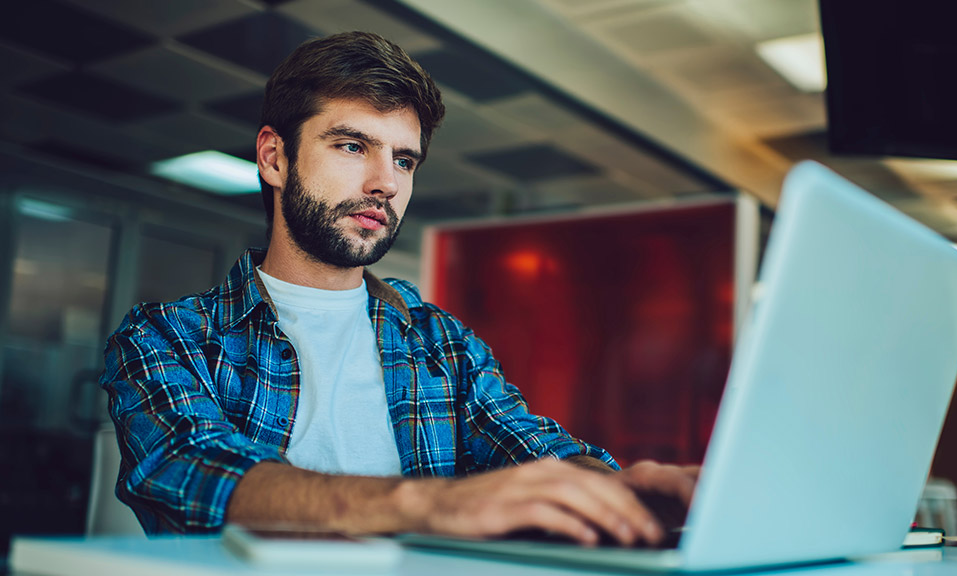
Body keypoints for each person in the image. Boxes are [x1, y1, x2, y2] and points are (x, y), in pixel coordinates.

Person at [100, 31, 698, 547]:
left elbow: (530, 448)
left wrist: (618, 487)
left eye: (405, 160)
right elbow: (196, 473)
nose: (385, 182)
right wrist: (431, 505)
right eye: (352, 145)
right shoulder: (167, 337)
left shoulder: (442, 344)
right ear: (275, 158)